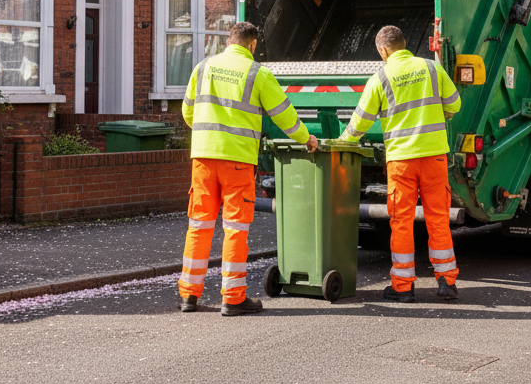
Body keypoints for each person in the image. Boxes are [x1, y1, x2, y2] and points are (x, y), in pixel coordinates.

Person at [179, 21, 318, 316]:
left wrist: (206, 136)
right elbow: (283, 114)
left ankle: (188, 296)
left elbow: (188, 110)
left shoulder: (203, 67)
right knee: (235, 229)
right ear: (252, 45)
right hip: (238, 162)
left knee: (199, 226)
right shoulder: (257, 74)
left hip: (203, 159)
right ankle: (233, 298)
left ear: (229, 40)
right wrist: (307, 139)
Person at [341, 26, 462, 302]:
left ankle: (403, 287)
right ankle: (446, 282)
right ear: (404, 45)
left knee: (402, 221)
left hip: (402, 162)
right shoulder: (432, 68)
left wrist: (342, 141)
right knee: (438, 218)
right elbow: (454, 104)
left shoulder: (380, 77)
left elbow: (359, 123)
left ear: (383, 50)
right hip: (434, 158)